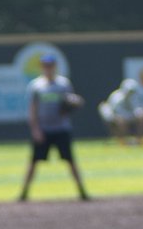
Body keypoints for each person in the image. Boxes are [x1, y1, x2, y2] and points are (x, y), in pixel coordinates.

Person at [18, 53, 89, 201]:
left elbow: (71, 101)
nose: (47, 68)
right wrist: (35, 130)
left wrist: (74, 103)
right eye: (45, 65)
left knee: (70, 160)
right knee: (34, 162)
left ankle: (82, 191)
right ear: (41, 67)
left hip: (61, 128)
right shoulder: (36, 86)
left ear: (54, 66)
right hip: (43, 129)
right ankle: (24, 193)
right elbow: (32, 110)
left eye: (50, 65)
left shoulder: (63, 84)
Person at [98, 77, 143, 146]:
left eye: (132, 91)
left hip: (127, 116)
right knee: (120, 120)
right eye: (130, 91)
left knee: (142, 116)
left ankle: (139, 140)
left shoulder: (133, 97)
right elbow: (116, 113)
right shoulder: (116, 97)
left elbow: (136, 109)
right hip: (114, 117)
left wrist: (139, 114)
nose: (131, 93)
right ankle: (124, 142)